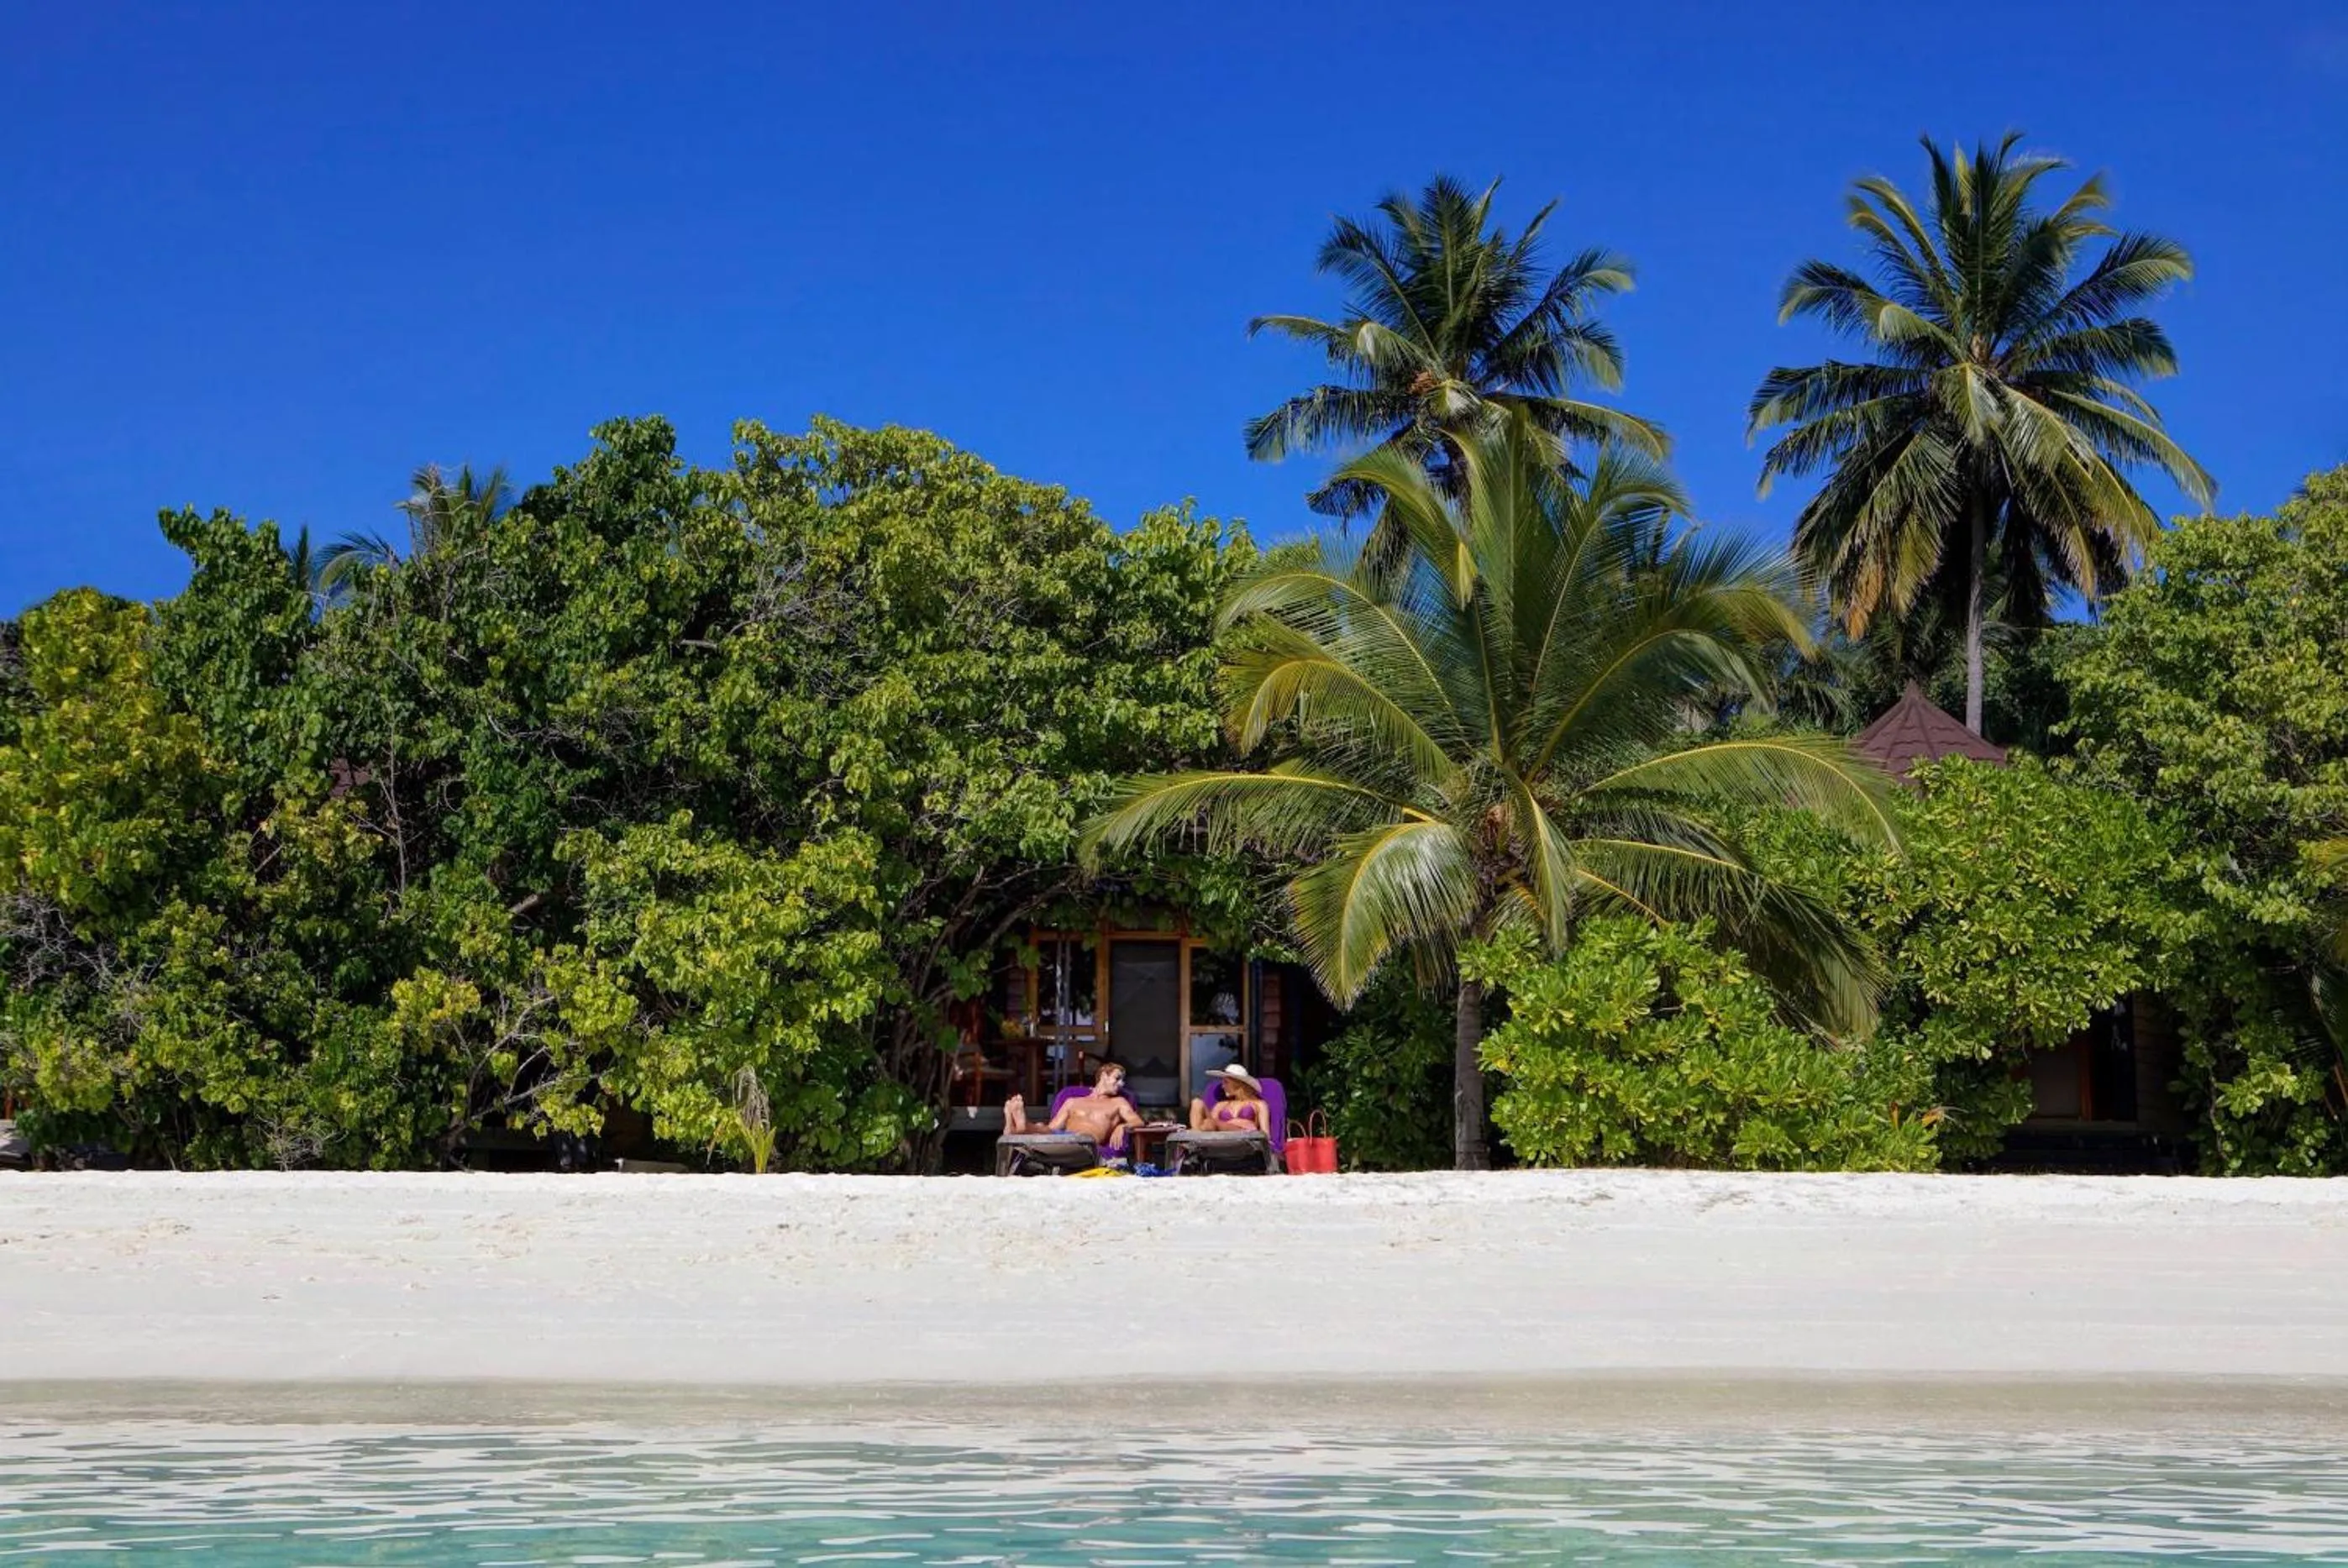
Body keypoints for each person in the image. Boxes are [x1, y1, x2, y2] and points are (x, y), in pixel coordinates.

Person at [1003, 1062, 1145, 1154]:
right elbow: (1052, 1129)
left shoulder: (1119, 1102)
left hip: (1086, 1144)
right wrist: (1042, 1129)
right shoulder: (1073, 1101)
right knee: (1043, 1128)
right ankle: (1019, 1128)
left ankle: (1021, 1127)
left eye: (1122, 1080)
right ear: (1104, 1076)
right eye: (1117, 1078)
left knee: (1047, 1134)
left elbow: (1138, 1121)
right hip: (1062, 1139)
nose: (1122, 1083)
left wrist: (1122, 1127)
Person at [1190, 1062, 1270, 1135]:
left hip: (1244, 1136)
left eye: (1226, 1082)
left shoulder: (1259, 1104)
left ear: (1238, 1083)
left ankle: (1192, 1137)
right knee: (1196, 1102)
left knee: (1209, 1123)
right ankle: (1194, 1137)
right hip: (1222, 1137)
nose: (1223, 1086)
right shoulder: (1221, 1105)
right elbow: (1211, 1125)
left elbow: (1266, 1133)